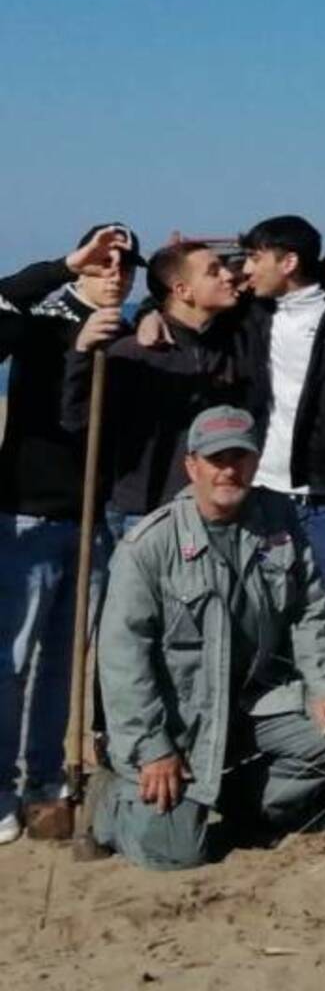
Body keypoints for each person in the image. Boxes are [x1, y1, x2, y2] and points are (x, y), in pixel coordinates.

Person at [92, 406, 325, 870]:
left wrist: (324, 688)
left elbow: (309, 613)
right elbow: (122, 661)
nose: (229, 470)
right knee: (176, 854)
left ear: (256, 463)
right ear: (192, 466)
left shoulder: (280, 522)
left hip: (255, 705)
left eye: (240, 457)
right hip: (180, 723)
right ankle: (112, 800)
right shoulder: (149, 547)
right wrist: (152, 747)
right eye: (217, 459)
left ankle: (238, 799)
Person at [0, 225, 138, 844]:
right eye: (102, 263)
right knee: (11, 662)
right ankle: (2, 786)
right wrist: (59, 269)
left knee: (63, 663)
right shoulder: (38, 326)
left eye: (124, 267)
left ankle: (48, 781)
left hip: (94, 521)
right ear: (81, 268)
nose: (114, 275)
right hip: (27, 512)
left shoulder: (131, 334)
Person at [64, 242, 251, 536]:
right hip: (144, 513)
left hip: (210, 510)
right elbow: (81, 421)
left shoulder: (229, 345)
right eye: (213, 272)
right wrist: (81, 354)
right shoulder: (136, 353)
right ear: (183, 291)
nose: (227, 276)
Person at [238, 216, 325, 598]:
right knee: (257, 610)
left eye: (256, 257)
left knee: (315, 610)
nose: (247, 268)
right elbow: (185, 302)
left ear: (288, 263)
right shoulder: (252, 313)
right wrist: (147, 314)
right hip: (261, 488)